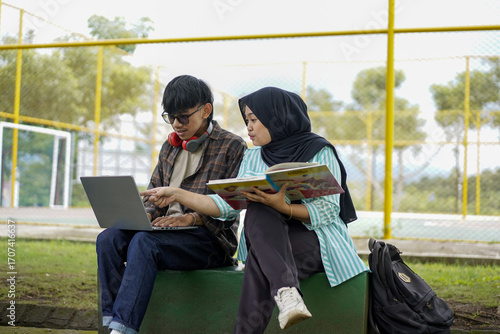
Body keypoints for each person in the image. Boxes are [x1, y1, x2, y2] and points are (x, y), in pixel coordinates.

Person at [141, 86, 369, 333]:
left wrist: (283, 207)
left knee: (260, 258)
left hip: (315, 242)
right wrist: (177, 193)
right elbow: (226, 205)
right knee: (259, 212)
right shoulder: (252, 157)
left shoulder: (318, 151)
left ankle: (273, 301)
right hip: (270, 240)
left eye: (254, 120)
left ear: (277, 118)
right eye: (246, 120)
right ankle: (287, 293)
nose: (248, 127)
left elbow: (328, 211)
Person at [96, 75, 247, 334]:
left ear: (206, 110)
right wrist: (140, 216)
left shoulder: (232, 146)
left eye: (183, 117)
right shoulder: (169, 146)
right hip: (165, 232)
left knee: (144, 243)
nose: (176, 124)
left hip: (209, 240)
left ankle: (122, 330)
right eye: (170, 117)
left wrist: (192, 218)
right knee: (108, 238)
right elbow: (155, 195)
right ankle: (108, 322)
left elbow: (229, 208)